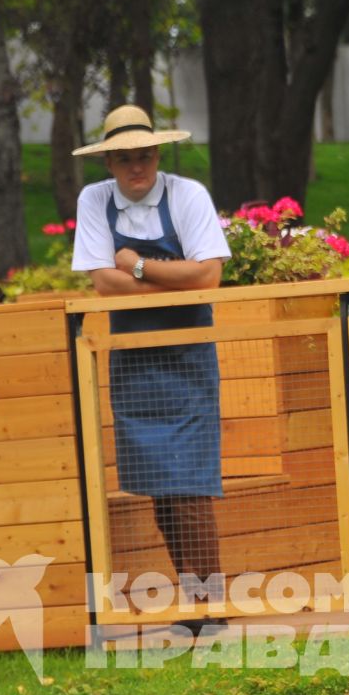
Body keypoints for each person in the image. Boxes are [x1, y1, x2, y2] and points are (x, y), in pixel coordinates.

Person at [70, 105, 232, 618]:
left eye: (144, 156)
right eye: (124, 159)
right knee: (160, 490)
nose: (136, 167)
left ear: (158, 154)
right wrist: (174, 275)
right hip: (135, 361)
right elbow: (102, 284)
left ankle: (209, 606)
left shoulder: (188, 195)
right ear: (109, 164)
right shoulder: (94, 200)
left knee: (190, 485)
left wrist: (136, 265)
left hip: (188, 356)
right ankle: (194, 602)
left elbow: (210, 280)